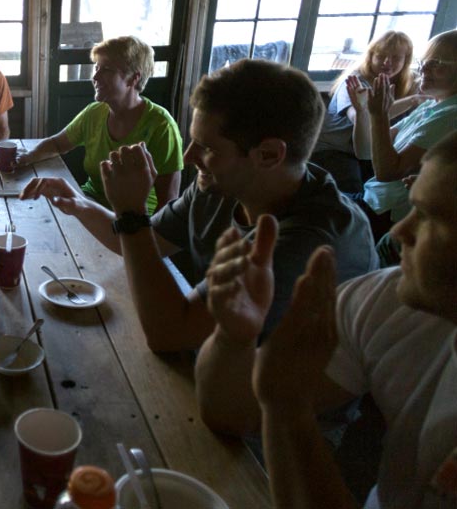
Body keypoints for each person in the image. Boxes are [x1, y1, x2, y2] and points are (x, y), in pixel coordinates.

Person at [22, 59, 378, 352]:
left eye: (207, 147)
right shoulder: (223, 187)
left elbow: (170, 335)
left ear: (268, 155)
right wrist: (78, 203)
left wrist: (131, 213)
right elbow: (142, 242)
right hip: (210, 362)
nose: (190, 157)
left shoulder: (310, 241)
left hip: (275, 420)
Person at [194, 131, 457, 509]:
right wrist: (233, 338)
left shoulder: (316, 230)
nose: (400, 232)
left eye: (430, 217)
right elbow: (232, 412)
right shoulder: (384, 302)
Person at [16, 35, 182, 214]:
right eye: (96, 68)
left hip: (135, 218)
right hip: (90, 202)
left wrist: (143, 237)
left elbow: (168, 203)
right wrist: (25, 158)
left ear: (133, 78)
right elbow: (57, 144)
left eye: (107, 70)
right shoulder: (95, 112)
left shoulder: (161, 126)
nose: (95, 76)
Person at [354, 29, 457, 239]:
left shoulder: (450, 115)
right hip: (371, 197)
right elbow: (365, 151)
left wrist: (380, 115)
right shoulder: (431, 104)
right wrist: (363, 112)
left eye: (436, 64)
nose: (424, 69)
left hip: (385, 214)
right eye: (424, 62)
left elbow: (387, 172)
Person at [310, 31, 425, 194]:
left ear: (406, 61)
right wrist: (412, 101)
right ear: (370, 56)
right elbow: (358, 117)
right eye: (381, 56)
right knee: (352, 190)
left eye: (396, 58)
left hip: (370, 149)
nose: (387, 62)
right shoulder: (353, 82)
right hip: (335, 150)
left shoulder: (409, 82)